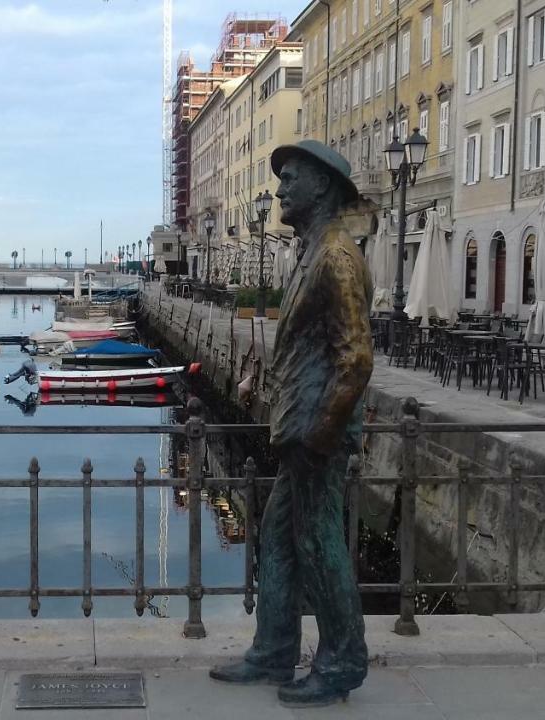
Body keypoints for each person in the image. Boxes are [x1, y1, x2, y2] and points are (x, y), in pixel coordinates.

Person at [209, 140, 373, 707]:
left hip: (316, 432)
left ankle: (342, 662)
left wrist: (322, 433)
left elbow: (355, 358)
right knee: (277, 537)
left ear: (322, 186)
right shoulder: (311, 250)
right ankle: (275, 650)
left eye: (291, 178)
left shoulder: (336, 256)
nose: (279, 189)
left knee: (320, 541)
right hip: (302, 426)